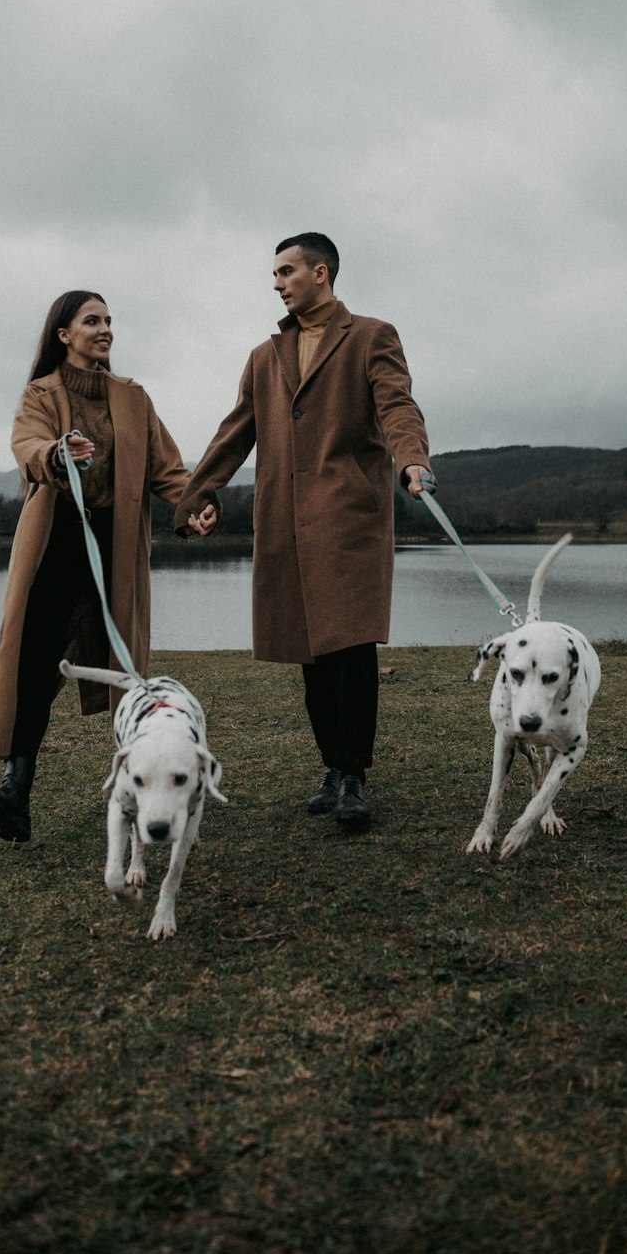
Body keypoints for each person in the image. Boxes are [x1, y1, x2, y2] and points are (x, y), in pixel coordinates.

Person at [175, 234, 434, 830]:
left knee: (350, 646)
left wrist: (411, 460)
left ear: (321, 273)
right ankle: (331, 768)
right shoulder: (265, 356)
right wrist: (199, 492)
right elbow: (236, 431)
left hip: (349, 517)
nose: (277, 282)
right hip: (285, 522)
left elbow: (398, 407)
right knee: (311, 653)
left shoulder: (372, 335)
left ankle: (353, 776)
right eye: (274, 274)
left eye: (286, 271)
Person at [0, 290, 216, 842]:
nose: (105, 330)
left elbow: (168, 470)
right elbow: (26, 445)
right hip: (54, 549)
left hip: (114, 547)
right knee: (34, 669)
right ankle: (15, 795)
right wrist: (55, 454)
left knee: (125, 676)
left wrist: (193, 507)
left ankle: (153, 795)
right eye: (91, 320)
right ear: (63, 333)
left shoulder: (133, 398)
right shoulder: (40, 394)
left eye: (108, 321)